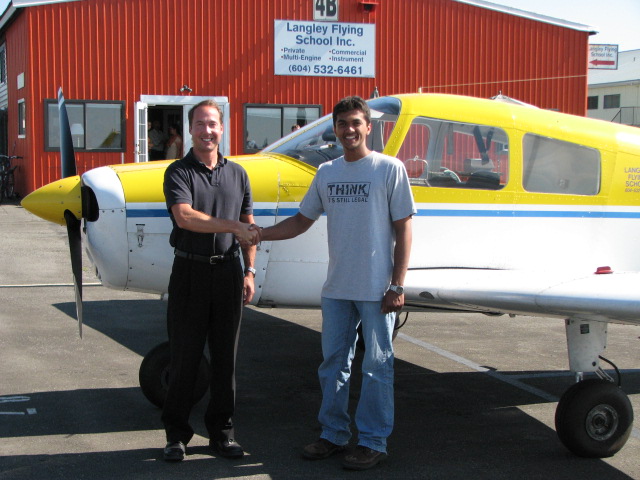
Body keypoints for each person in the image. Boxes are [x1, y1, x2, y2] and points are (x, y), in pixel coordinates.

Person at [255, 96, 415, 471]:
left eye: (356, 122)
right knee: (333, 365)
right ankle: (333, 435)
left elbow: (404, 227)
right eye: (342, 124)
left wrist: (397, 284)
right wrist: (259, 234)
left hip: (377, 290)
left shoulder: (389, 169)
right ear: (336, 129)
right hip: (337, 289)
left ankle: (373, 442)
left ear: (368, 127)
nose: (349, 130)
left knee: (377, 367)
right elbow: (300, 221)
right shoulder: (327, 173)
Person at [161, 99, 259, 463]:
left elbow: (248, 226)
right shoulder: (179, 172)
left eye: (213, 124)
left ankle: (222, 433)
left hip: (229, 273)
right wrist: (232, 226)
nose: (207, 130)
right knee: (185, 358)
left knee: (225, 361)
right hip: (190, 272)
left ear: (222, 128)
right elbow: (185, 217)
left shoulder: (238, 174)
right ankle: (176, 435)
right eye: (200, 124)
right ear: (191, 129)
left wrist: (249, 271)